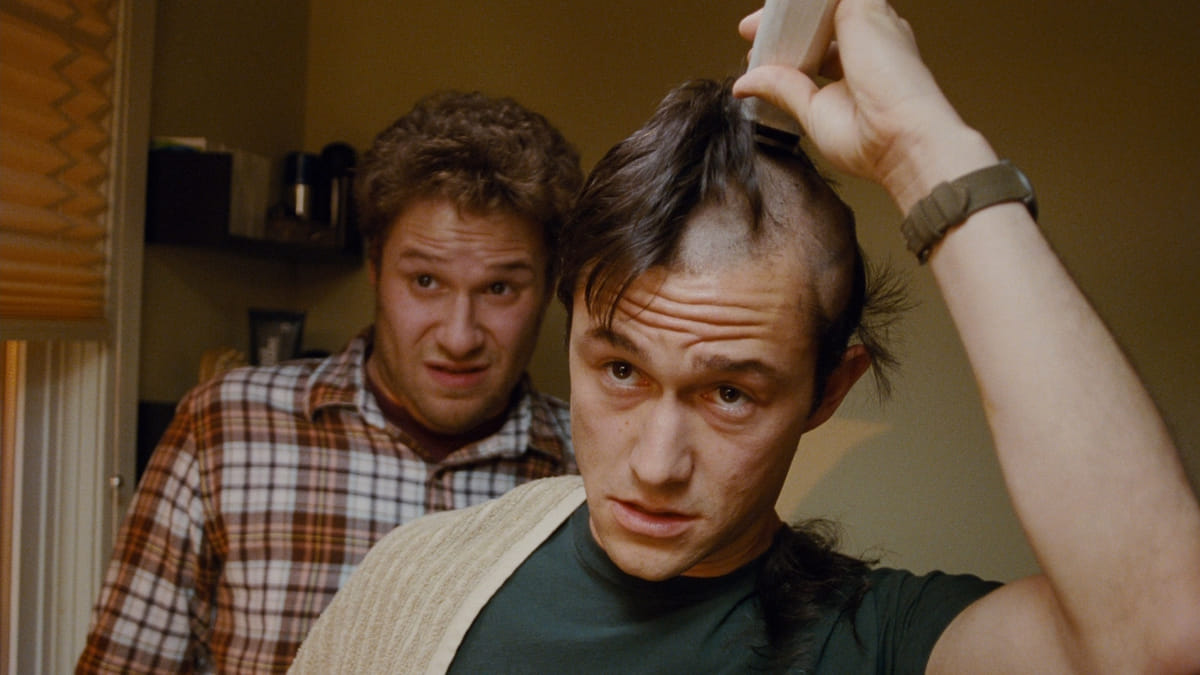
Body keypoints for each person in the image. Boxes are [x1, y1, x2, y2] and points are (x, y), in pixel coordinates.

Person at [290, 1, 1200, 672]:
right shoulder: (421, 579)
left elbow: (1164, 629)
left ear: (828, 389)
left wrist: (924, 152)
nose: (655, 463)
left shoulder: (876, 639)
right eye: (619, 369)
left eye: (729, 392)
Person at [77, 91, 584, 673]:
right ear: (375, 267)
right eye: (425, 280)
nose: (458, 336)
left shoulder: (594, 466)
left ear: (549, 287)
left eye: (499, 288)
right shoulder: (225, 428)